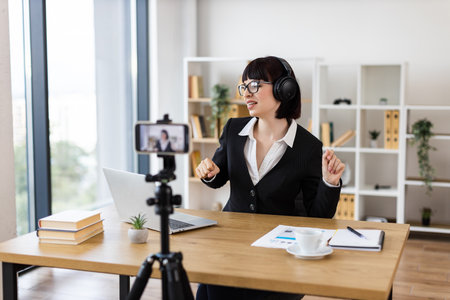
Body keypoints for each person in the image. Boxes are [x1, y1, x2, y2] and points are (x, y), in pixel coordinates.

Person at [195, 56, 345, 300]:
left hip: (280, 254)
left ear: (283, 89)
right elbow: (218, 175)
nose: (246, 93)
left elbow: (319, 217)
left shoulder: (308, 147)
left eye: (254, 85)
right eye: (244, 86)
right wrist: (209, 173)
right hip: (231, 243)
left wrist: (330, 182)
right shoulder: (233, 129)